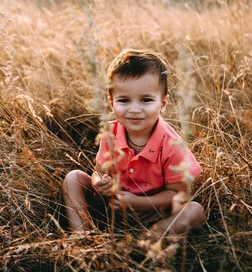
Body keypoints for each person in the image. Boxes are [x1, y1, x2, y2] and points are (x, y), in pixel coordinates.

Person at [63, 49, 206, 235]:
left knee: (195, 210)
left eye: (146, 100)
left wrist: (136, 202)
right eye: (124, 100)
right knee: (73, 178)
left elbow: (178, 194)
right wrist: (99, 181)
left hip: (154, 214)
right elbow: (99, 171)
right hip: (112, 208)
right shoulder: (110, 133)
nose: (134, 109)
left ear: (162, 104)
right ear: (112, 103)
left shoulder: (172, 145)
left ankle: (147, 242)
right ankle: (83, 237)